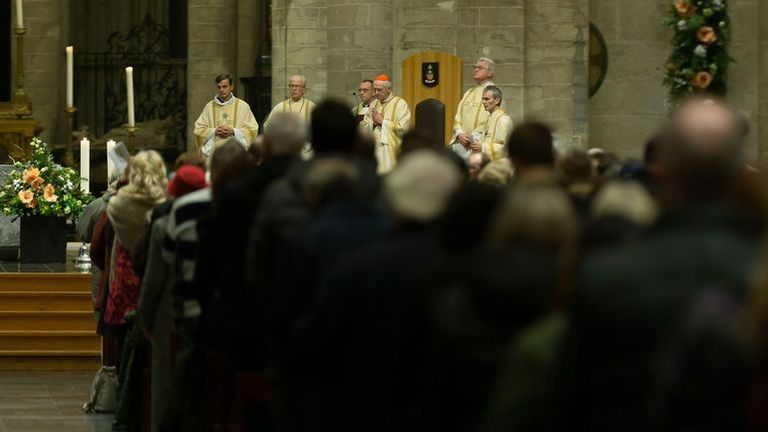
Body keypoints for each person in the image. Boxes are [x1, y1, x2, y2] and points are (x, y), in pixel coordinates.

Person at [193, 73, 260, 158]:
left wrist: (234, 131)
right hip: (215, 154)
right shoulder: (209, 107)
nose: (221, 90)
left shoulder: (242, 106)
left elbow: (253, 129)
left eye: (224, 87)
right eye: (219, 87)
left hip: (236, 154)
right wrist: (214, 131)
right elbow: (198, 129)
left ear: (231, 87)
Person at [361, 74, 411, 174]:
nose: (375, 93)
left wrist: (383, 122)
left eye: (379, 90)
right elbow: (364, 124)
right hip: (374, 148)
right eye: (374, 90)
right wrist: (373, 123)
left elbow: (404, 128)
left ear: (389, 89)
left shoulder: (400, 104)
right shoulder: (374, 104)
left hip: (390, 150)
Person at [451, 57, 496, 157]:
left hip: (479, 144)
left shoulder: (494, 93)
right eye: (474, 67)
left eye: (480, 68)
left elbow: (493, 118)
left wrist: (473, 138)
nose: (475, 70)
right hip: (462, 143)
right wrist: (459, 134)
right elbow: (458, 116)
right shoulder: (468, 92)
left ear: (490, 73)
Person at [477, 85, 512, 161]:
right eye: (483, 99)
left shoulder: (503, 120)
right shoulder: (490, 118)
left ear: (497, 101)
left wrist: (482, 147)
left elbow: (504, 147)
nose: (483, 102)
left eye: (487, 99)